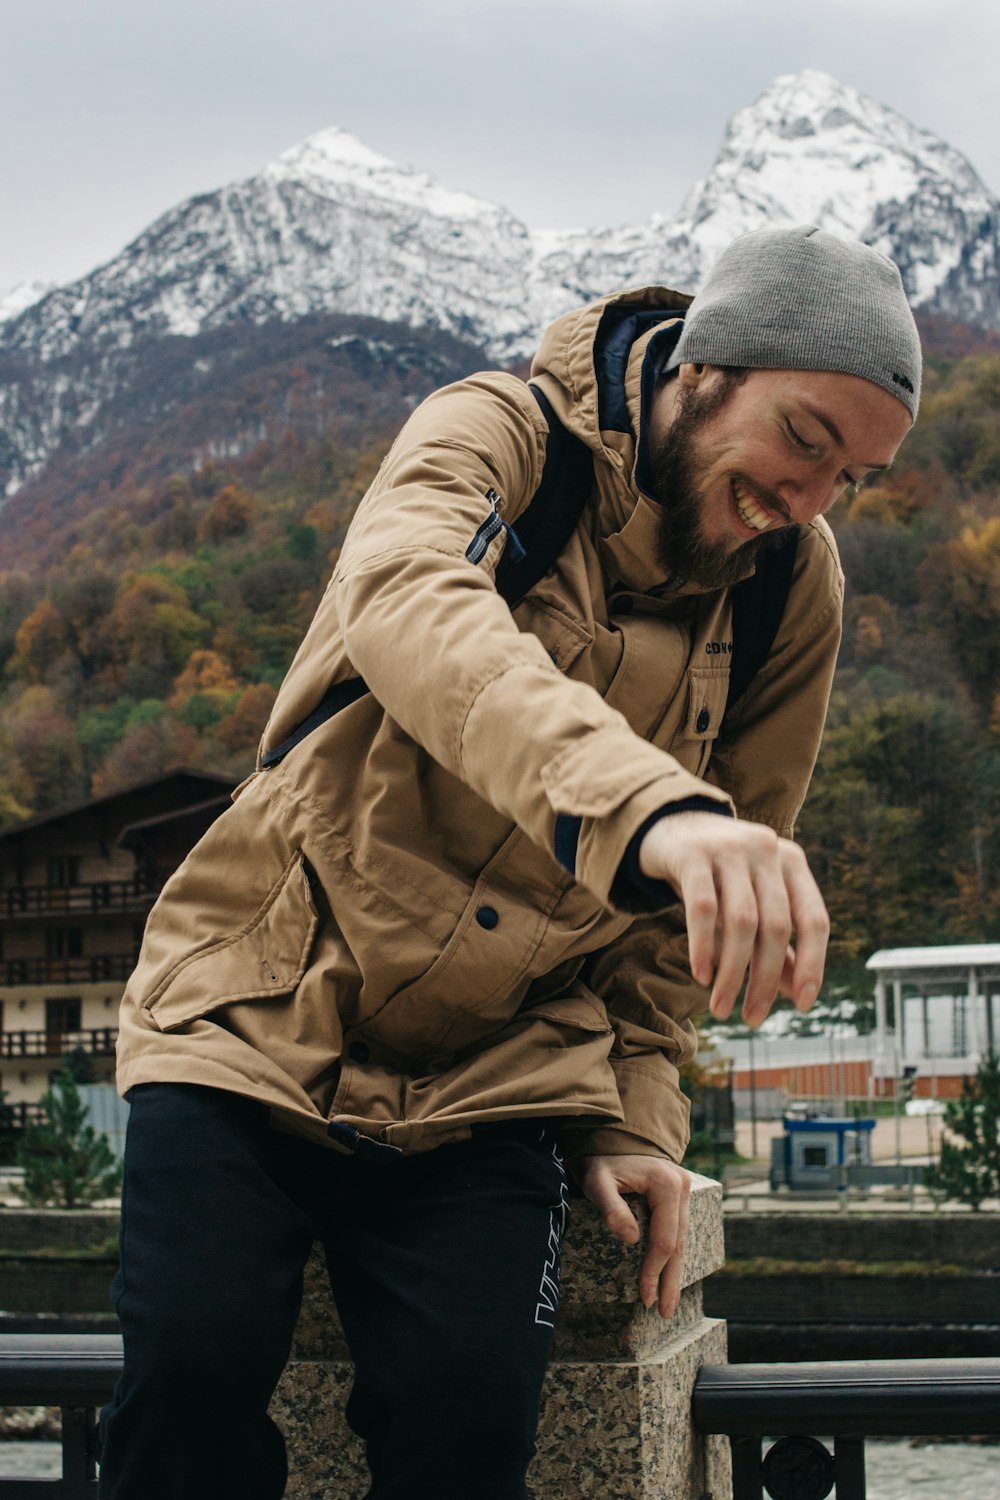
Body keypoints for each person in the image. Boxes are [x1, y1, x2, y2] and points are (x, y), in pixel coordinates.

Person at [98, 225, 919, 1499]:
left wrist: (632, 1115)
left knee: (469, 1438)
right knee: (191, 1391)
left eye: (848, 478)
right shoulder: (493, 433)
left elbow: (692, 915)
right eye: (803, 438)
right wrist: (651, 810)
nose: (805, 499)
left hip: (497, 1069)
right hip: (251, 1011)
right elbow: (416, 609)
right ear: (702, 367)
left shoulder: (789, 587)